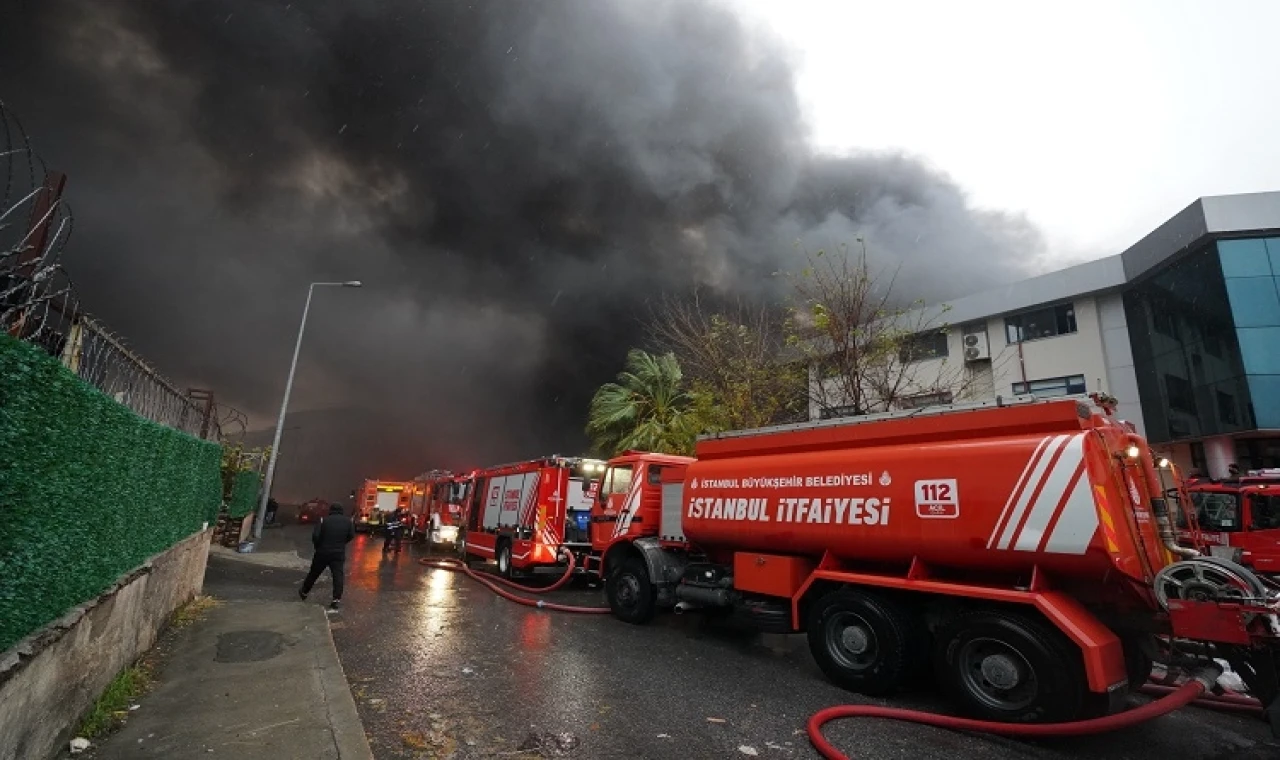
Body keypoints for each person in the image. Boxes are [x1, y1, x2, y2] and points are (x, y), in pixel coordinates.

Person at [300, 503, 355, 609]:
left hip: (322, 552)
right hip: (338, 553)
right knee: (338, 576)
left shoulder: (323, 520)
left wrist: (318, 546)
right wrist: (341, 543)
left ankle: (304, 592)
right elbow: (351, 535)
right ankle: (336, 599)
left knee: (314, 573)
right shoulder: (348, 522)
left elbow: (315, 536)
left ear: (331, 510)